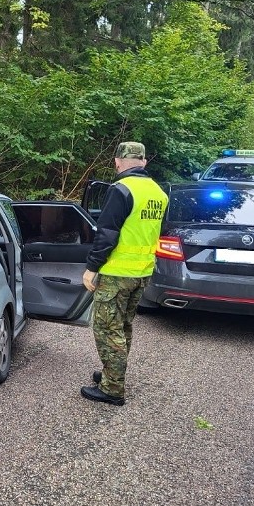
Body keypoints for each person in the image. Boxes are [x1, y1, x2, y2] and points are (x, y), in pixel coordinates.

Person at [81, 141, 168, 406]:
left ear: (118, 162)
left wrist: (92, 268)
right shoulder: (158, 192)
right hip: (142, 272)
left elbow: (107, 233)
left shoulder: (121, 189)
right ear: (144, 162)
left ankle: (112, 389)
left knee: (107, 329)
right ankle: (112, 373)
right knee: (124, 326)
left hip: (117, 272)